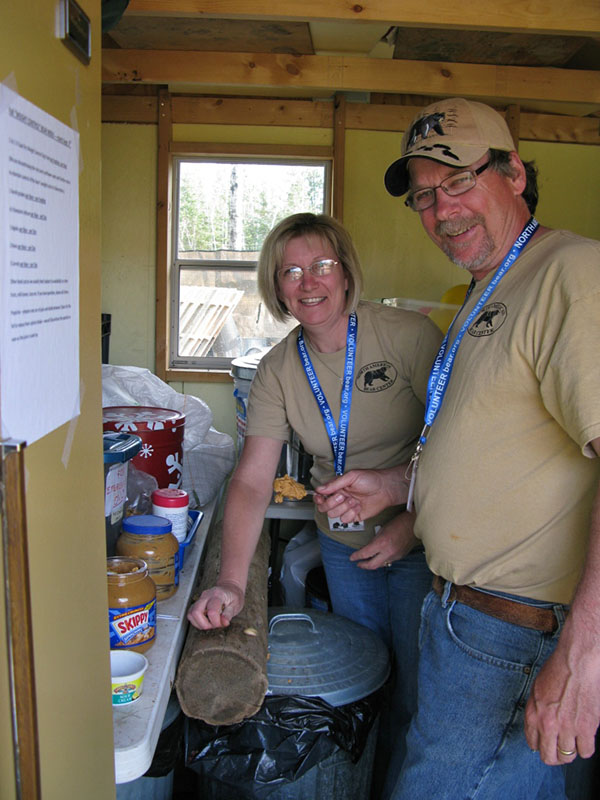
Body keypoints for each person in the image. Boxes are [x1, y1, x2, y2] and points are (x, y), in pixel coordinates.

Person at [315, 97, 600, 799]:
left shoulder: (573, 273)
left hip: (516, 628)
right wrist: (398, 488)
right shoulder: (490, 285)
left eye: (459, 183)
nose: (442, 213)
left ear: (515, 174)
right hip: (466, 618)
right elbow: (492, 444)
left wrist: (586, 656)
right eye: (423, 199)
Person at [187, 212, 443, 795]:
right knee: (362, 677)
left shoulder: (408, 336)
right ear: (276, 287)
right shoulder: (278, 369)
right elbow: (252, 481)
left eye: (322, 265)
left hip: (422, 538)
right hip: (344, 543)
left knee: (416, 692)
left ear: (346, 272)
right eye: (291, 271)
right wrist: (229, 582)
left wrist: (407, 524)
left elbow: (456, 445)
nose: (309, 282)